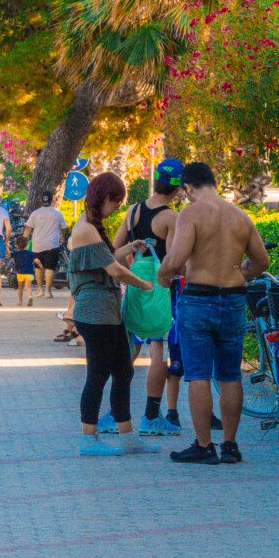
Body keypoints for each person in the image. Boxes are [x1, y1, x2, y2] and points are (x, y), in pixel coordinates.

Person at [157, 160, 271, 465]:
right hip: (233, 301)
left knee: (198, 375)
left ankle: (204, 445)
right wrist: (238, 275)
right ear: (214, 183)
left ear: (188, 187)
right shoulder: (240, 216)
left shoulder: (190, 214)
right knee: (231, 375)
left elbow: (176, 259)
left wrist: (163, 276)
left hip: (199, 301)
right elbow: (261, 261)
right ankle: (230, 446)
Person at [68, 172, 158, 456]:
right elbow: (115, 270)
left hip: (108, 311)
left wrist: (129, 248)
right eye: (115, 200)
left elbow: (105, 260)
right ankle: (88, 439)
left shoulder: (92, 226)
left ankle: (127, 437)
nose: (117, 206)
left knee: (123, 371)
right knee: (98, 375)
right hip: (95, 313)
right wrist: (143, 283)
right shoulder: (86, 229)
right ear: (102, 197)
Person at [122, 160, 186, 437]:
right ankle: (150, 416)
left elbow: (117, 248)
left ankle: (115, 411)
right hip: (162, 291)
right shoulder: (172, 217)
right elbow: (172, 260)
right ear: (178, 188)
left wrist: (133, 268)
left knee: (131, 348)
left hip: (137, 288)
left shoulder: (133, 211)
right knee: (159, 347)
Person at [26, 190, 67, 299]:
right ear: (52, 200)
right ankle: (48, 291)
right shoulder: (58, 214)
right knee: (50, 268)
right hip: (52, 245)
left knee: (38, 267)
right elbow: (63, 227)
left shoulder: (35, 213)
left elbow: (28, 228)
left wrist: (24, 240)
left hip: (37, 245)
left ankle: (40, 290)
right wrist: (62, 236)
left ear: (41, 200)